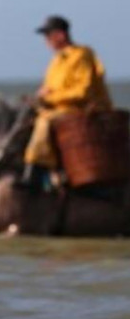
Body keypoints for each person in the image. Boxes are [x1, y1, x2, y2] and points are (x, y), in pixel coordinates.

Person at [19, 15, 113, 190]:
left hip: (82, 110)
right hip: (60, 108)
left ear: (60, 35)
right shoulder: (56, 61)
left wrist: (49, 98)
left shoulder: (82, 55)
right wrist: (38, 98)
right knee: (24, 120)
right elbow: (49, 89)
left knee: (44, 123)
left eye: (48, 36)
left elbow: (83, 91)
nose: (46, 41)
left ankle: (33, 175)